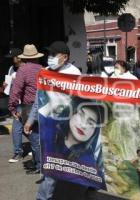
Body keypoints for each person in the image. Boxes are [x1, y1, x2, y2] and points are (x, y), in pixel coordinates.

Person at [23, 41, 81, 200]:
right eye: (49, 54)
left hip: (67, 127)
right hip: (48, 126)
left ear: (65, 57)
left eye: (54, 55)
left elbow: (81, 101)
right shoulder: (45, 72)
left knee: (60, 167)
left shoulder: (74, 73)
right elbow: (38, 100)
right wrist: (30, 120)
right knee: (51, 166)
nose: (50, 58)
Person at [38, 96, 106, 191]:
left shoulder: (88, 159)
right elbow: (40, 123)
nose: (83, 125)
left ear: (94, 131)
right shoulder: (54, 129)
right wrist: (51, 104)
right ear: (72, 113)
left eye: (91, 123)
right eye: (81, 115)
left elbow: (98, 182)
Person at [8, 44, 44, 167]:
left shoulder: (23, 70)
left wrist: (11, 107)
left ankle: (39, 165)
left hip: (28, 107)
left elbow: (15, 90)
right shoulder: (42, 68)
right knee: (38, 136)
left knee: (33, 138)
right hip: (42, 104)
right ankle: (38, 162)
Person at [3, 48, 24, 163]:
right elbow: (9, 84)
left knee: (17, 128)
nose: (11, 60)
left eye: (13, 57)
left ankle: (18, 153)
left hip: (24, 102)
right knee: (24, 127)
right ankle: (37, 147)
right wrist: (6, 85)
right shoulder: (11, 68)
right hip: (15, 102)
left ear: (19, 58)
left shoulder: (25, 69)